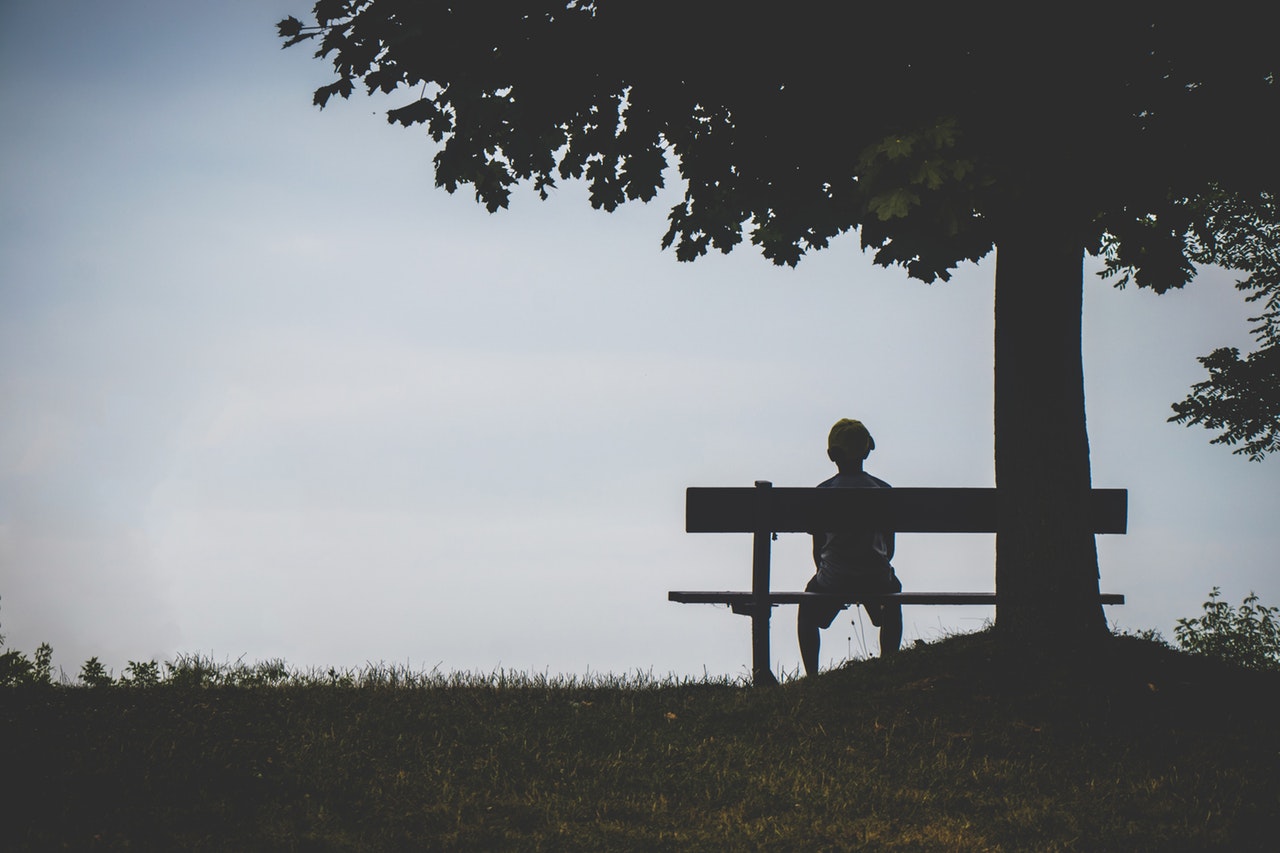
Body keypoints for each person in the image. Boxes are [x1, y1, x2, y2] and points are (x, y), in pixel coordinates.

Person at [798, 418, 903, 675]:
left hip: (834, 578)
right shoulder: (883, 491)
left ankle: (812, 675)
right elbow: (889, 549)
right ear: (867, 451)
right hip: (876, 577)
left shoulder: (822, 494)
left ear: (832, 455)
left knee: (807, 609)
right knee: (893, 592)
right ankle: (889, 665)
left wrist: (832, 574)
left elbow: (817, 549)